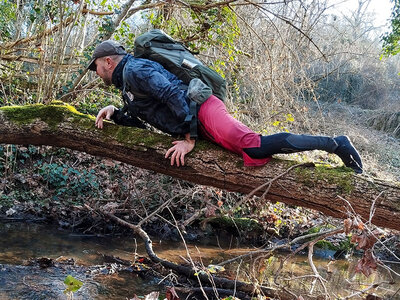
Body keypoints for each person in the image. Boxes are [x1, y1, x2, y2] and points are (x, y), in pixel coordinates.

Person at [87, 40, 363, 174]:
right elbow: (147, 116)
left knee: (253, 146)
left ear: (109, 62)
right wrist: (116, 114)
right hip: (196, 119)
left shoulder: (136, 70)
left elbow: (173, 94)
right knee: (251, 150)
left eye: (97, 67)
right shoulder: (127, 81)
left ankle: (335, 144)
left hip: (203, 110)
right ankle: (333, 144)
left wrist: (188, 139)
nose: (97, 73)